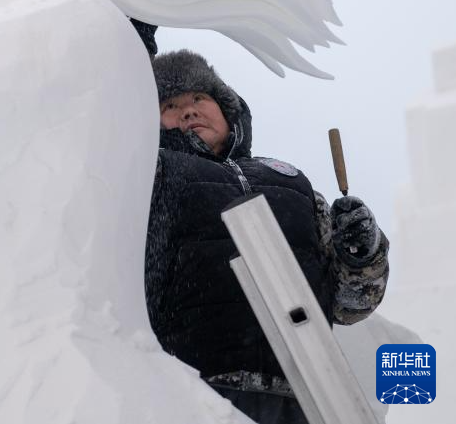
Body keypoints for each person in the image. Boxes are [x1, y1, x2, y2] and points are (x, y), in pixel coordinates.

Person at [143, 48, 389, 424]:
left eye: (199, 98)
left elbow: (349, 304)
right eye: (171, 105)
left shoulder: (290, 181)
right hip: (200, 396)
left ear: (227, 109)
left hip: (309, 395)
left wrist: (361, 252)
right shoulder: (152, 177)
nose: (189, 110)